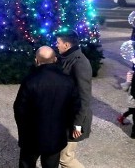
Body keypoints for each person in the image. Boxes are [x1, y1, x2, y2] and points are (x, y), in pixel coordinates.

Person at [13, 46, 80, 168]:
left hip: (32, 137)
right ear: (55, 59)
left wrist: (23, 132)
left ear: (36, 60)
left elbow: (19, 110)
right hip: (56, 136)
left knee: (27, 164)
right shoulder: (68, 81)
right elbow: (75, 107)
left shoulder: (30, 80)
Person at [55, 30, 93, 168]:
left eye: (58, 43)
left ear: (66, 45)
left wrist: (77, 124)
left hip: (73, 119)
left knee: (66, 159)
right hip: (66, 116)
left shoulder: (80, 63)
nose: (56, 45)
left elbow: (84, 96)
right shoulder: (68, 58)